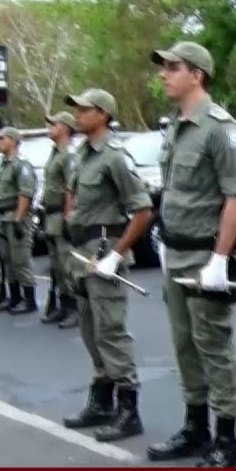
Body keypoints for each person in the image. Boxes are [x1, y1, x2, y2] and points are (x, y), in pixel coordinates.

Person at [146, 40, 236, 468]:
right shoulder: (176, 125)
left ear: (197, 75)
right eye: (164, 67)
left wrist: (220, 259)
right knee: (184, 345)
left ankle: (226, 439)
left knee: (213, 347)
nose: (164, 74)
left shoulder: (219, 127)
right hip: (175, 251)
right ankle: (195, 427)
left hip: (203, 255)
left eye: (173, 67)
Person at [60, 89, 153, 442]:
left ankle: (129, 411)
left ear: (103, 114)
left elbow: (142, 211)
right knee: (90, 331)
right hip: (81, 254)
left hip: (103, 254)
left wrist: (116, 254)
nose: (77, 115)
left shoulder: (115, 157)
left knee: (111, 333)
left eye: (84, 109)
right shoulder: (82, 154)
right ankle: (101, 401)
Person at [0, 127, 39, 314]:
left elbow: (25, 194)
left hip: (15, 217)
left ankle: (29, 299)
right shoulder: (4, 164)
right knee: (8, 259)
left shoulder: (21, 165)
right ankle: (14, 296)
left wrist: (19, 219)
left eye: (2, 139)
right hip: (3, 217)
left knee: (21, 259)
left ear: (13, 140)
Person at [40, 112, 81, 328]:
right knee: (56, 265)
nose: (50, 128)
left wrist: (68, 217)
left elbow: (70, 188)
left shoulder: (69, 155)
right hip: (51, 214)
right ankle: (64, 304)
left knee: (67, 264)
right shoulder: (55, 153)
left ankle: (75, 307)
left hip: (61, 214)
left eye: (53, 124)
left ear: (64, 128)